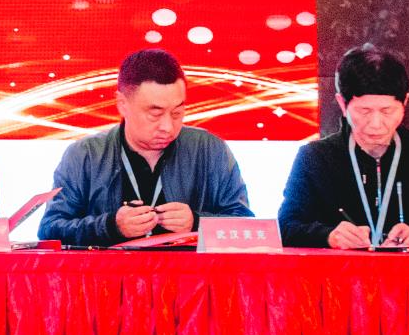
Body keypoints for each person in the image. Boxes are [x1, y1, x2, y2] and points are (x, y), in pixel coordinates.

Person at [40, 48, 252, 246]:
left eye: (177, 113)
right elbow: (50, 230)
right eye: (155, 114)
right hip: (109, 273)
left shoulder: (209, 150)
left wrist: (197, 223)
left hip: (190, 273)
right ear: (122, 104)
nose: (168, 127)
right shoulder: (85, 154)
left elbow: (247, 226)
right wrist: (110, 226)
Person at [276, 46, 409, 249]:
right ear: (342, 104)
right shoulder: (315, 157)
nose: (376, 124)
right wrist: (328, 236)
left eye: (387, 110)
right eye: (364, 111)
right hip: (340, 269)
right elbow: (285, 228)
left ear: (405, 102)